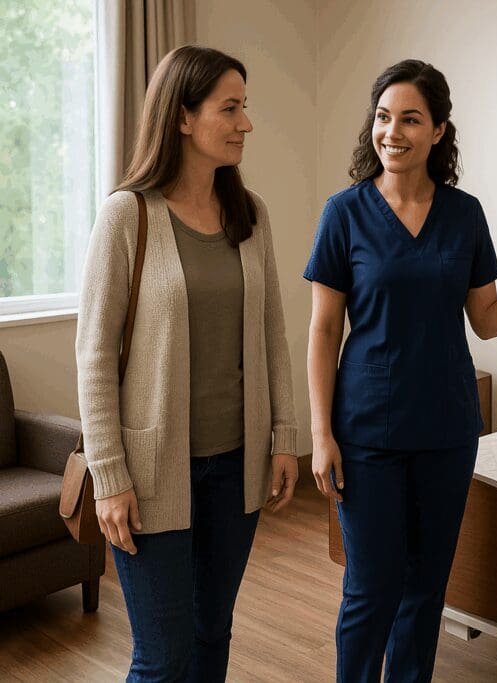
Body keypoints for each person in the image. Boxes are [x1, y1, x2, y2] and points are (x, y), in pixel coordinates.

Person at [305, 58, 497, 683]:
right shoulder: (344, 214)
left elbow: (487, 318)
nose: (392, 132)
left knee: (426, 588)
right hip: (367, 431)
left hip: (447, 429)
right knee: (371, 588)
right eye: (383, 117)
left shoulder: (464, 214)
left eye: (410, 119)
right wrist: (320, 433)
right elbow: (322, 330)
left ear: (438, 131)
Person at [76, 45, 298, 682]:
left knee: (211, 636)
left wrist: (284, 436)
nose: (245, 123)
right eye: (229, 109)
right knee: (162, 659)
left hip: (236, 468)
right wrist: (109, 476)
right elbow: (94, 356)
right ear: (181, 117)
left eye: (244, 107)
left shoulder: (251, 215)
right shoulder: (127, 215)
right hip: (149, 475)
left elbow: (272, 333)